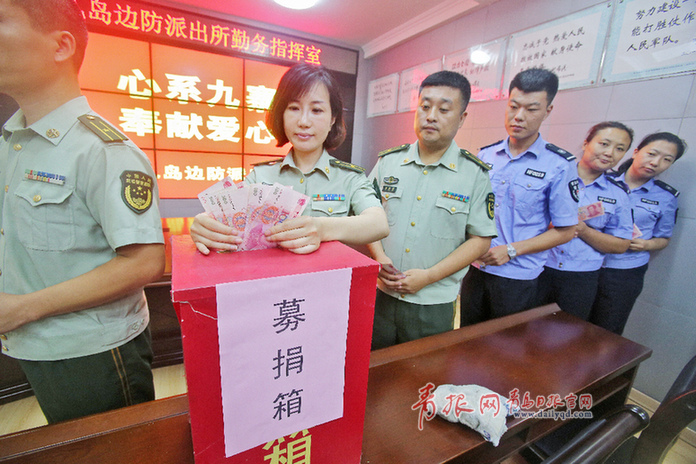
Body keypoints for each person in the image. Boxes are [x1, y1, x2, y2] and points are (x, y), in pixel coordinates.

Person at [0, 0, 165, 423]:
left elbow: (145, 261)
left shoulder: (103, 150)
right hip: (31, 343)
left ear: (61, 46)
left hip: (92, 350)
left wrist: (24, 307)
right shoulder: (10, 144)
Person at [190, 63, 388, 255]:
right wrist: (204, 225)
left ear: (332, 119)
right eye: (294, 108)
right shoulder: (260, 175)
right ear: (282, 114)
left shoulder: (349, 178)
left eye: (316, 110)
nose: (303, 122)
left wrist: (321, 228)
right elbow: (229, 217)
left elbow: (378, 224)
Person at [367, 71, 497, 349]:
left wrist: (428, 277)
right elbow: (367, 216)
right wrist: (378, 256)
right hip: (381, 295)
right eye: (425, 106)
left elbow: (480, 240)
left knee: (426, 372)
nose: (431, 116)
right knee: (374, 367)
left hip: (433, 304)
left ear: (462, 118)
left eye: (444, 109)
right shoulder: (389, 162)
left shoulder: (474, 174)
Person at [459, 68, 579, 325]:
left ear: (548, 111)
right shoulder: (486, 155)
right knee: (467, 337)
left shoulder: (559, 164)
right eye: (513, 106)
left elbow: (566, 231)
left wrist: (511, 250)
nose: (519, 116)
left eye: (531, 109)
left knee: (504, 344)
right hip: (475, 268)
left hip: (517, 276)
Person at [590, 132, 687, 334]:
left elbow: (664, 238)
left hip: (624, 272)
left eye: (667, 160)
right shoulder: (602, 180)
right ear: (635, 152)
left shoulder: (666, 197)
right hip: (586, 262)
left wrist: (647, 244)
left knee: (607, 331)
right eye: (652, 154)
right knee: (571, 323)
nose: (656, 162)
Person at [536, 122, 635, 320]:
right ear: (585, 143)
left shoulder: (618, 193)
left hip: (580, 279)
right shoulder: (552, 175)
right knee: (521, 329)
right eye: (604, 144)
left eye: (620, 149)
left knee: (566, 333)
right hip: (537, 267)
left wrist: (583, 230)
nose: (609, 153)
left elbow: (621, 244)